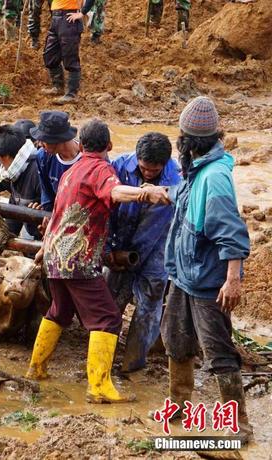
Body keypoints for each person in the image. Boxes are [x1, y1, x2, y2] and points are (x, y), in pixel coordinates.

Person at [25, 119, 170, 405]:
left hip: (55, 254)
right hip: (77, 258)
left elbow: (56, 210)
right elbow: (115, 193)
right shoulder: (100, 169)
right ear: (110, 146)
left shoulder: (72, 169)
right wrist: (147, 192)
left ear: (81, 144)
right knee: (107, 318)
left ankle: (36, 368)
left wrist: (44, 250)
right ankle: (99, 386)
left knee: (60, 311)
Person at [160, 97, 252, 441]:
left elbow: (232, 232)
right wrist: (158, 193)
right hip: (184, 276)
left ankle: (239, 425)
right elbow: (183, 196)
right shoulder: (199, 168)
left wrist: (232, 280)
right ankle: (178, 412)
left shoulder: (214, 178)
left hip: (207, 282)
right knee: (175, 342)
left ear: (185, 141)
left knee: (218, 350)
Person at [105, 132, 181, 373]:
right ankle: (102, 357)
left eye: (154, 169)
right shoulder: (118, 166)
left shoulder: (177, 178)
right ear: (137, 158)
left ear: (165, 163)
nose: (148, 173)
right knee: (111, 300)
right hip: (121, 243)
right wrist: (107, 249)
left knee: (149, 304)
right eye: (144, 168)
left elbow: (169, 222)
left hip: (158, 248)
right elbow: (104, 206)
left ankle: (133, 363)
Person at [42, 0, 95, 103]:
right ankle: (58, 86)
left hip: (69, 18)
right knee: (49, 55)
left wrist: (82, 12)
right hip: (55, 17)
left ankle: (71, 94)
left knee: (70, 57)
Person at [32, 111, 81, 211]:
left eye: (43, 140)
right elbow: (47, 192)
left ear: (58, 140)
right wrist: (47, 212)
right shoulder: (43, 157)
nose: (40, 144)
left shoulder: (89, 159)